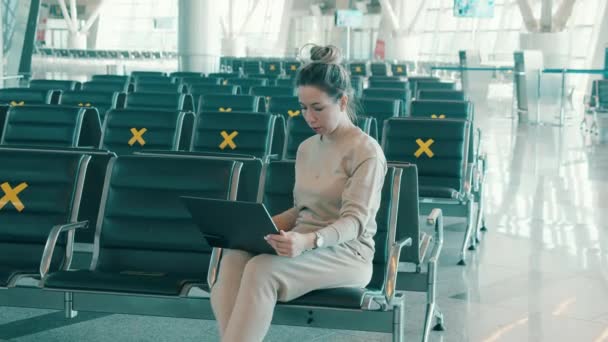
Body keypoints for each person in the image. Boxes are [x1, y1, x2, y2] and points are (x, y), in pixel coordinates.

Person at [209, 44, 388, 342]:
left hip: (348, 253)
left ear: (342, 102)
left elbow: (355, 222)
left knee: (261, 270)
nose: (309, 117)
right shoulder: (307, 148)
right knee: (233, 257)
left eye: (318, 108)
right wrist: (258, 229)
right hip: (303, 244)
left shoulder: (366, 152)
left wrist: (309, 240)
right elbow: (302, 210)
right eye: (303, 108)